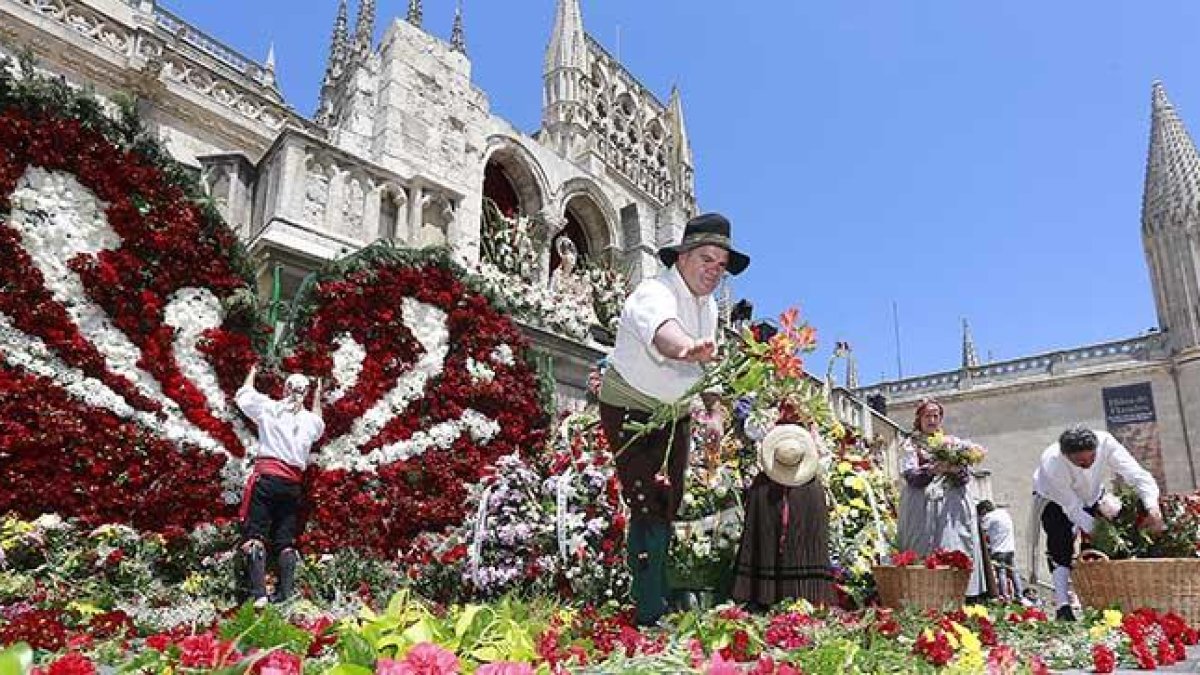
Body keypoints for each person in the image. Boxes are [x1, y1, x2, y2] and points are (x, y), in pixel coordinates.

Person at [597, 212, 750, 626]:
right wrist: (686, 349)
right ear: (682, 257)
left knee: (670, 501)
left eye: (721, 265)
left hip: (675, 412)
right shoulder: (654, 291)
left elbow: (709, 370)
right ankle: (649, 610)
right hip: (630, 407)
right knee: (647, 501)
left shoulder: (709, 309)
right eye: (707, 259)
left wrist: (715, 412)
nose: (714, 271)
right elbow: (667, 336)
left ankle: (654, 593)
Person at [1030, 426, 1164, 621]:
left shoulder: (1106, 442)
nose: (1087, 464)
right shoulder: (1052, 463)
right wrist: (1101, 534)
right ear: (1066, 456)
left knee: (1118, 523)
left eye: (1091, 459)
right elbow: (1073, 508)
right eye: (1080, 462)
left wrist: (1153, 507)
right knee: (1061, 544)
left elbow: (1137, 475)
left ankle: (1109, 597)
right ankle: (1063, 605)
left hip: (1092, 494)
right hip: (1054, 499)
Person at [236, 365, 325, 606]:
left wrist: (252, 371)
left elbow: (243, 395)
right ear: (304, 393)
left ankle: (260, 595)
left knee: (255, 535)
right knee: (285, 541)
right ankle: (285, 595)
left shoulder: (269, 408)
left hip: (267, 479)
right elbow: (318, 420)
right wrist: (317, 394)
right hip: (292, 485)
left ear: (285, 388)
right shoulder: (309, 422)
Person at [731, 425, 836, 609]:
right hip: (789, 556)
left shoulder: (810, 488)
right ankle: (786, 594)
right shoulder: (766, 486)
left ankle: (773, 594)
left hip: (797, 556)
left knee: (797, 547)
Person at [897, 398, 986, 598]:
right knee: (920, 547)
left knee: (953, 544)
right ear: (919, 418)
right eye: (927, 415)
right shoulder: (910, 444)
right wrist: (932, 470)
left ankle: (958, 591)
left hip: (950, 506)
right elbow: (911, 477)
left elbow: (964, 477)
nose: (932, 419)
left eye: (936, 415)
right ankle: (922, 592)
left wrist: (955, 470)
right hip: (922, 504)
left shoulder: (952, 444)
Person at [976, 500, 1024, 602]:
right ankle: (1019, 595)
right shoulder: (1003, 513)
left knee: (1001, 572)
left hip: (998, 549)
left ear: (984, 510)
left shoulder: (989, 517)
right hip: (1010, 548)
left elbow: (981, 532)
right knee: (1013, 572)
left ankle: (1004, 596)